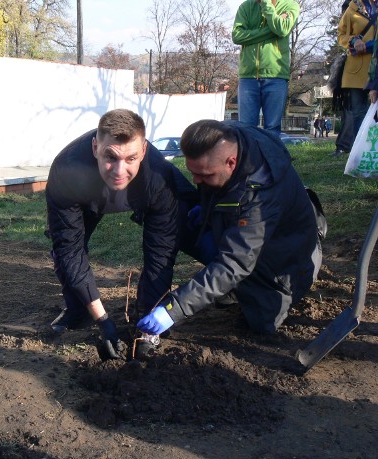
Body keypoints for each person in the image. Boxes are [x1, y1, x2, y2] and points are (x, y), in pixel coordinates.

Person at [137, 120, 326, 338]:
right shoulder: (226, 137)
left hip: (288, 263)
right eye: (193, 171)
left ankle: (257, 294)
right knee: (182, 221)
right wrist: (207, 209)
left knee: (260, 323)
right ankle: (231, 289)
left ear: (231, 163)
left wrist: (174, 309)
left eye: (205, 175)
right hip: (248, 236)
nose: (196, 180)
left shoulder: (262, 195)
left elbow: (235, 262)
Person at [45, 109, 199, 359]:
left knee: (171, 246)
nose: (119, 170)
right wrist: (103, 320)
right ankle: (78, 309)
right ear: (95, 147)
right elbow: (69, 250)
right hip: (85, 195)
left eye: (130, 158)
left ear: (145, 151)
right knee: (63, 251)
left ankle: (145, 317)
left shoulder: (159, 178)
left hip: (144, 194)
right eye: (111, 157)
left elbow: (159, 254)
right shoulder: (67, 170)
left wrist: (149, 325)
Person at [232, 0, 300, 135]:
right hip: (248, 77)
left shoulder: (290, 5)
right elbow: (237, 36)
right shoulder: (246, 6)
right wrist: (269, 32)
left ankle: (271, 156)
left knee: (272, 127)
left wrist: (267, 4)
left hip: (276, 75)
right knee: (246, 128)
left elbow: (282, 29)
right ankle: (249, 156)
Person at [331, 0, 377, 157]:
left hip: (376, 67)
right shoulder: (352, 8)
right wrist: (353, 40)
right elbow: (341, 35)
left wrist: (371, 45)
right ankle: (359, 154)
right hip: (357, 69)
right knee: (357, 113)